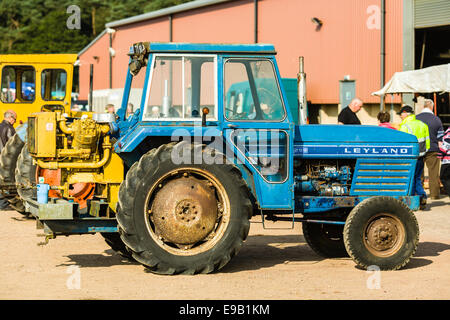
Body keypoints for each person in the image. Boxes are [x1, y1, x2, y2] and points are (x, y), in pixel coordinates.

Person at [398, 105, 430, 209]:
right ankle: (422, 197)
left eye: (401, 114)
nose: (400, 116)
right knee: (417, 178)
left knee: (410, 179)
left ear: (406, 113)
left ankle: (411, 202)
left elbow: (402, 145)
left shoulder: (404, 126)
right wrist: (423, 153)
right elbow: (427, 142)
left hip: (409, 158)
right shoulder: (423, 125)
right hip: (421, 156)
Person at [415, 99, 444, 200]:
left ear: (423, 106)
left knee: (419, 173)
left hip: (419, 149)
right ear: (432, 107)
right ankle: (434, 195)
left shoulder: (416, 118)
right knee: (433, 173)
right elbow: (440, 137)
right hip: (433, 148)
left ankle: (419, 194)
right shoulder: (436, 119)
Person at [0, 110, 17, 210]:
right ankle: (3, 204)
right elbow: (12, 146)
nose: (15, 121)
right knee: (5, 181)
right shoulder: (9, 128)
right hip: (4, 159)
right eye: (14, 119)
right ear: (10, 118)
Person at [438, 127, 450, 197]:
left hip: (448, 160)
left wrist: (440, 153)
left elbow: (447, 143)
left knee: (444, 178)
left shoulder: (449, 131)